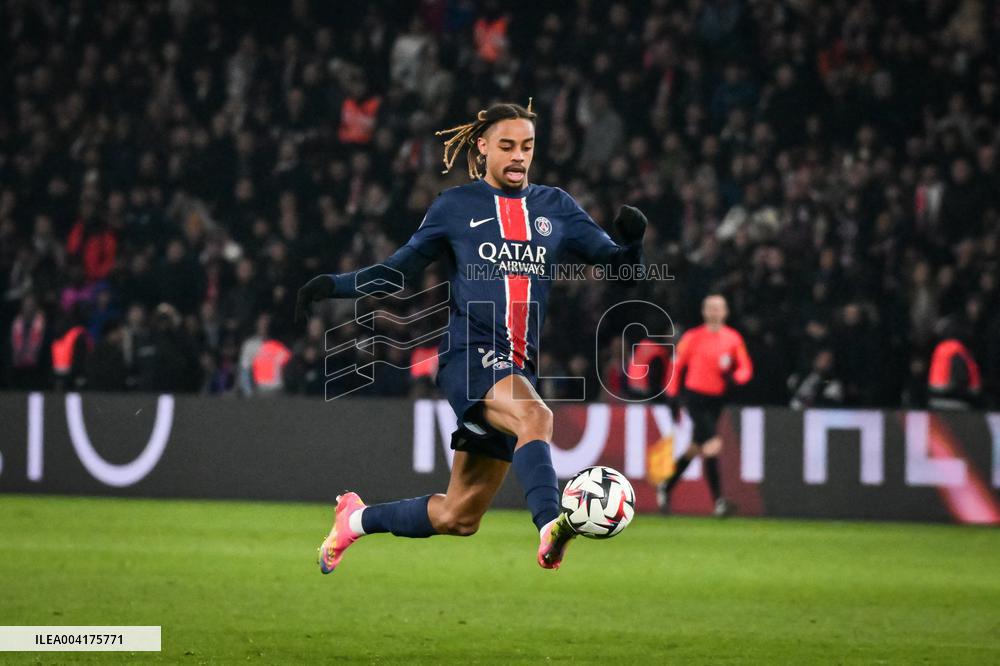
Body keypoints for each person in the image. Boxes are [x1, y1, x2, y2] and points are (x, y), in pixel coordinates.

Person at [296, 101, 647, 573]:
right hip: (470, 357)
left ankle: (354, 521)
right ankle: (551, 525)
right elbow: (397, 274)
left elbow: (622, 273)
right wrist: (334, 286)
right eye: (507, 146)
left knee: (458, 515)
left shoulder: (555, 207)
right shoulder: (455, 207)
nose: (519, 156)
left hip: (516, 367)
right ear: (482, 148)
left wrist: (634, 242)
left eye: (527, 146)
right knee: (536, 418)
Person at [657, 294, 752, 517]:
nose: (714, 312)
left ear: (726, 312)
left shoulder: (733, 339)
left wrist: (736, 378)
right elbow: (676, 364)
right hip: (694, 397)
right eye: (711, 308)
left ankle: (666, 486)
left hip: (716, 400)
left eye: (719, 308)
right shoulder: (693, 337)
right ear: (704, 311)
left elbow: (745, 368)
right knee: (712, 444)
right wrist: (672, 395)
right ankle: (719, 502)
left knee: (696, 447)